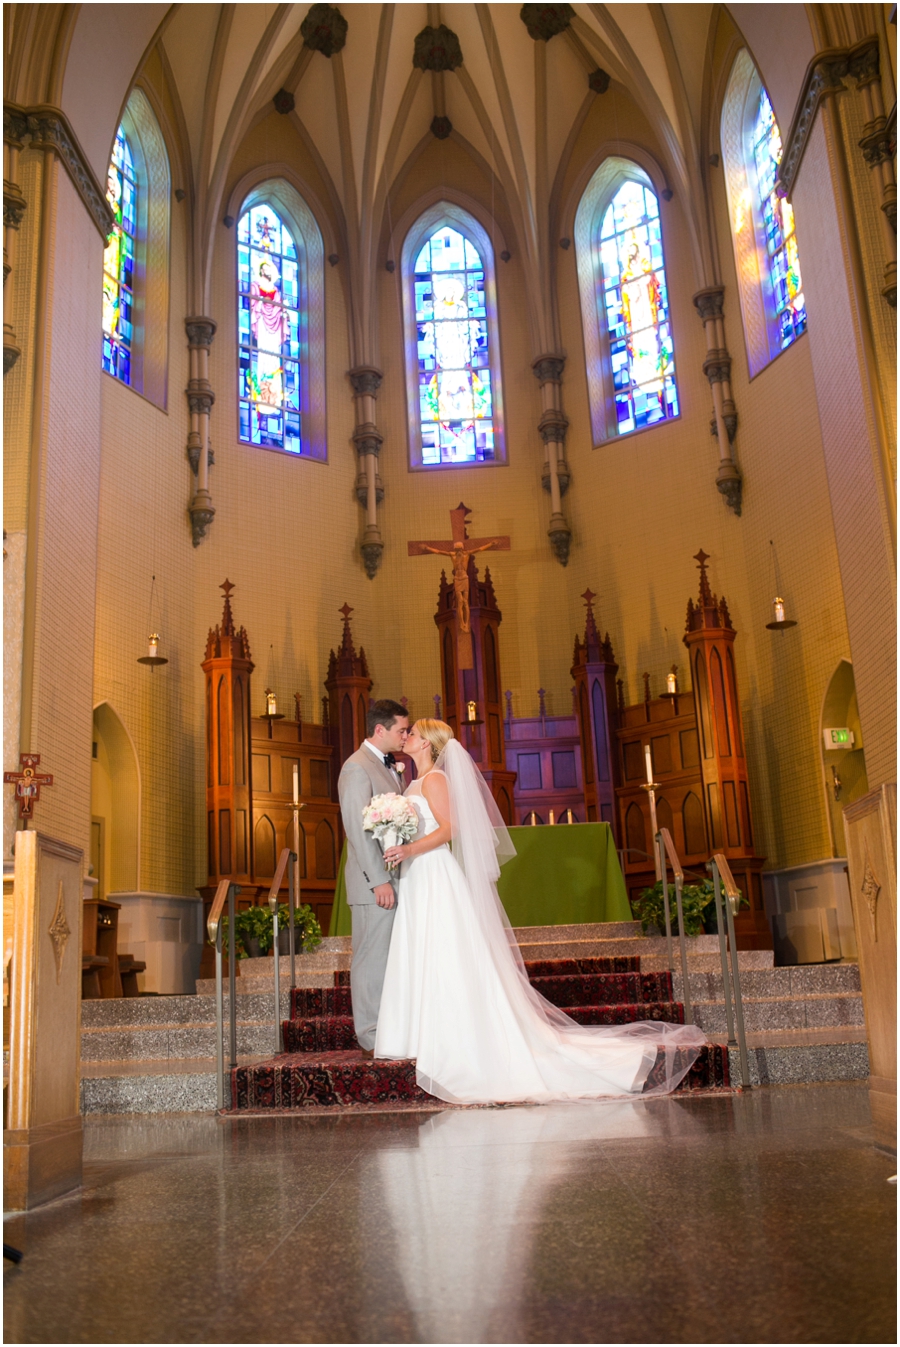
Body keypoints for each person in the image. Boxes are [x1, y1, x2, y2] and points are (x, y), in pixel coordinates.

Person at [375, 719, 708, 1104]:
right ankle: (420, 1031)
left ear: (428, 744)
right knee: (425, 953)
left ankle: (456, 1036)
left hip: (434, 874)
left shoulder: (435, 781)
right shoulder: (413, 783)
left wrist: (410, 850)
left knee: (446, 953)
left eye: (413, 733)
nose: (407, 736)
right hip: (418, 877)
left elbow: (452, 828)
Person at [337, 699, 411, 1056]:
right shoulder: (356, 768)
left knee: (389, 957)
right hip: (374, 884)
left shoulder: (388, 765)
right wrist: (378, 880)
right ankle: (369, 1034)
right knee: (371, 958)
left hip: (393, 878)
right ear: (380, 730)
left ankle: (389, 1026)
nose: (406, 736)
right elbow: (357, 829)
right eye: (401, 730)